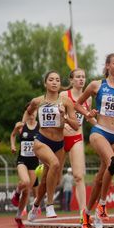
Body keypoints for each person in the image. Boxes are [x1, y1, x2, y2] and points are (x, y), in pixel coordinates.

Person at [74, 53, 114, 228]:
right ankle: (102, 206)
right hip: (100, 132)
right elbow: (77, 104)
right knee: (113, 163)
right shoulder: (97, 85)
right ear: (108, 66)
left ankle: (87, 214)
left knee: (100, 179)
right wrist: (88, 114)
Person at [27, 70, 79, 220]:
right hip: (41, 140)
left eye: (57, 79)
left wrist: (65, 118)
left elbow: (76, 125)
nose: (55, 82)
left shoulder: (66, 102)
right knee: (54, 164)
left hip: (59, 144)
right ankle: (49, 205)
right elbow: (28, 111)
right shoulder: (37, 101)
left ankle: (35, 205)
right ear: (45, 83)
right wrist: (25, 124)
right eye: (51, 79)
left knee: (51, 180)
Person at [59, 68, 94, 218]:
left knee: (79, 176)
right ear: (71, 80)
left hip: (77, 137)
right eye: (78, 77)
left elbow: (88, 117)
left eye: (83, 77)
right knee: (53, 177)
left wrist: (100, 126)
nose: (81, 79)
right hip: (60, 138)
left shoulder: (88, 98)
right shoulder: (63, 95)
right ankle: (37, 204)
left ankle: (83, 213)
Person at [10, 106, 40, 228]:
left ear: (37, 113)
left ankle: (18, 216)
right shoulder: (21, 126)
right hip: (22, 160)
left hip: (34, 162)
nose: (32, 114)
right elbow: (12, 135)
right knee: (26, 182)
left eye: (34, 111)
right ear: (26, 113)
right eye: (30, 112)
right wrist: (13, 146)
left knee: (27, 191)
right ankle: (16, 193)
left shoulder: (41, 127)